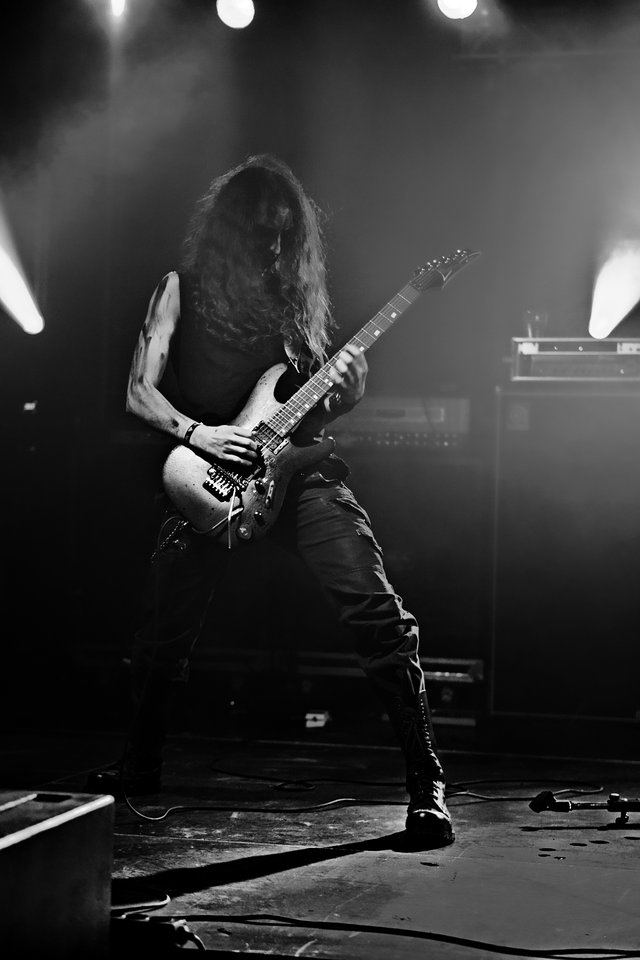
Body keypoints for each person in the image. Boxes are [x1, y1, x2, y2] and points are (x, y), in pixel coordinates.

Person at [87, 153, 454, 845]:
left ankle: (425, 781)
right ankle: (139, 765)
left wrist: (348, 395)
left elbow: (307, 406)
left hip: (299, 473)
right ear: (232, 229)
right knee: (162, 634)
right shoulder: (180, 288)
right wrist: (198, 432)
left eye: (287, 233)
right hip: (209, 475)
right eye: (263, 232)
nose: (277, 245)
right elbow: (138, 390)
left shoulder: (298, 305)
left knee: (379, 614)